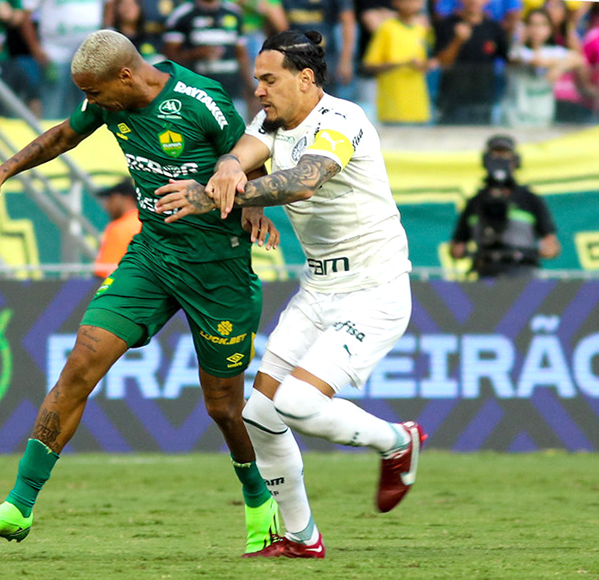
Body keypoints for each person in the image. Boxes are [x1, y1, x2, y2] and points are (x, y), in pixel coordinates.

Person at [0, 29, 284, 556]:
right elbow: (64, 135)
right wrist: (0, 173)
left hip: (218, 273)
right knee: (80, 362)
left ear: (126, 76)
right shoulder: (110, 103)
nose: (91, 104)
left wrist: (254, 203)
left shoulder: (200, 101)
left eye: (96, 93)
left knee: (223, 407)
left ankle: (258, 497)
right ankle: (19, 504)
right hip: (151, 256)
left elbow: (247, 154)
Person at [154, 29, 427, 558]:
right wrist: (232, 167)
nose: (257, 89)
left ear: (306, 79)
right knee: (259, 415)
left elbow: (304, 181)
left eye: (268, 79)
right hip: (318, 287)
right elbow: (241, 153)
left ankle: (398, 441)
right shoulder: (271, 121)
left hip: (374, 288)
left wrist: (216, 199)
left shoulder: (342, 120)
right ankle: (301, 537)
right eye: (256, 79)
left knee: (298, 403)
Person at [450, 134, 560, 278]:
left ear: (515, 161)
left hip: (522, 273)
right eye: (495, 156)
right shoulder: (476, 202)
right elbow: (457, 248)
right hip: (485, 275)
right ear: (486, 161)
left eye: (505, 156)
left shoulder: (530, 199)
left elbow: (551, 245)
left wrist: (533, 251)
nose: (500, 162)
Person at [163, 0, 255, 118]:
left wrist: (250, 86)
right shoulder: (181, 15)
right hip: (197, 94)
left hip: (232, 92)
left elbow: (241, 54)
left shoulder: (234, 12)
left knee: (237, 134)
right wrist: (195, 54)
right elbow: (170, 58)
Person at [501, 8, 584, 128]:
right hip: (515, 117)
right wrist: (558, 64)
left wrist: (559, 68)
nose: (536, 30)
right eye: (532, 24)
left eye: (542, 25)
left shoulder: (552, 51)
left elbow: (579, 59)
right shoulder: (516, 50)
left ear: (550, 29)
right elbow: (535, 61)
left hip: (542, 116)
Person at [432, 0, 508, 125]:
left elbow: (508, 61)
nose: (474, 1)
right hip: (452, 100)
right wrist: (457, 41)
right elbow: (442, 63)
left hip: (483, 100)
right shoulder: (446, 25)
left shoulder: (494, 28)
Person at [362, 0, 435, 124]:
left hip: (418, 107)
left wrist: (425, 65)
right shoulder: (387, 28)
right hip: (392, 106)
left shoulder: (422, 30)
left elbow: (430, 61)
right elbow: (370, 64)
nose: (411, 4)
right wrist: (403, 64)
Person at [93, 178, 142, 278]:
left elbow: (104, 271)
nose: (107, 205)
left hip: (120, 286)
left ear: (127, 199)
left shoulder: (119, 227)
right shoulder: (147, 222)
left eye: (111, 199)